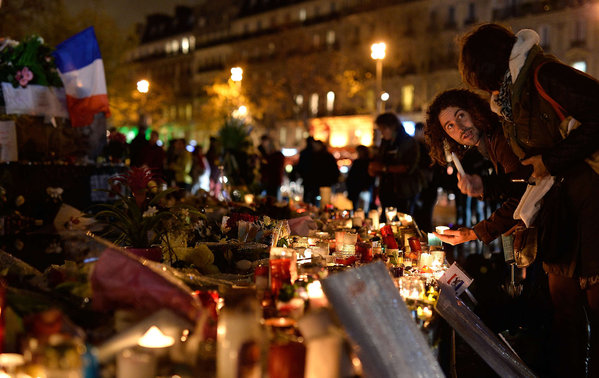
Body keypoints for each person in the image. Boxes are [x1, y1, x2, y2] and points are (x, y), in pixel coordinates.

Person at [459, 23, 599, 377]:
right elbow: (525, 169)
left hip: (591, 201)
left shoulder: (543, 74)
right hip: (559, 207)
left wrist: (551, 160)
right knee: (564, 307)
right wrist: (485, 187)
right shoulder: (508, 100)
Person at [425, 89, 531, 246]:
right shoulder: (487, 143)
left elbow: (524, 192)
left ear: (474, 110)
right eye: (450, 126)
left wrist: (474, 233)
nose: (460, 128)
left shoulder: (500, 137)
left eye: (461, 116)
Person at [368, 112, 422, 216]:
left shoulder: (409, 142)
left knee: (402, 222)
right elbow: (380, 161)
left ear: (391, 127)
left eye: (382, 129)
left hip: (404, 192)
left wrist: (384, 168)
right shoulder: (385, 143)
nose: (382, 133)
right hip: (386, 191)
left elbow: (409, 167)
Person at [346, 145, 374, 212]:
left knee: (363, 208)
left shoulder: (366, 162)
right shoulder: (358, 162)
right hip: (357, 188)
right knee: (358, 208)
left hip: (362, 188)